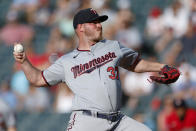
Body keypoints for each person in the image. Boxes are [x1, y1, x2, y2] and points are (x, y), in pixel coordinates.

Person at [13, 8, 180, 131]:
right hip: (86, 122)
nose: (99, 25)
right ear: (81, 28)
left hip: (117, 120)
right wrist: (25, 62)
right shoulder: (67, 61)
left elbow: (135, 64)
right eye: (94, 23)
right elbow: (37, 79)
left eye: (99, 22)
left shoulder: (113, 46)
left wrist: (162, 67)